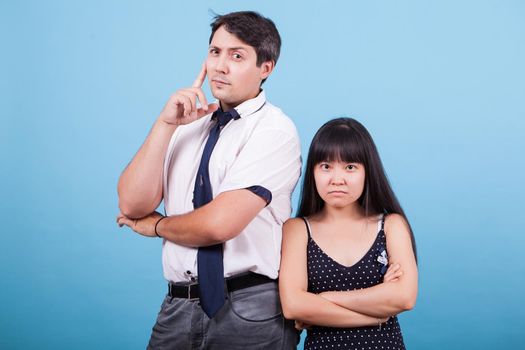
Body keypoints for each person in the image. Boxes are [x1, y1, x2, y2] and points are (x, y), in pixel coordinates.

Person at [116, 11, 301, 349]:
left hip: (250, 307)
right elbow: (131, 203)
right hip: (178, 306)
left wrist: (158, 226)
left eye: (237, 55)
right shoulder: (188, 124)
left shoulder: (274, 130)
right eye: (215, 52)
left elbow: (219, 224)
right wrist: (165, 124)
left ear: (266, 68)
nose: (220, 65)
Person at [279, 118, 418, 349]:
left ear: (367, 171)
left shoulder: (391, 225)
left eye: (350, 167)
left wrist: (324, 299)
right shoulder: (297, 230)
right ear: (312, 171)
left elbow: (405, 297)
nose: (337, 179)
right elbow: (294, 305)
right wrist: (375, 313)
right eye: (326, 166)